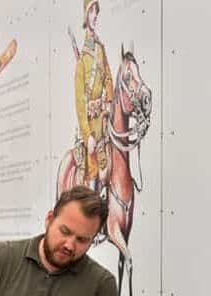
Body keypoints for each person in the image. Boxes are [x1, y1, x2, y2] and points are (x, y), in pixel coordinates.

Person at [75, 0, 113, 195]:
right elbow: (80, 104)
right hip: (90, 123)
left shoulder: (101, 49)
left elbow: (108, 76)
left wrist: (109, 100)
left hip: (104, 118)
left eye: (96, 12)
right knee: (92, 167)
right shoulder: (82, 61)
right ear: (85, 16)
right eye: (92, 12)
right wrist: (88, 135)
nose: (95, 16)